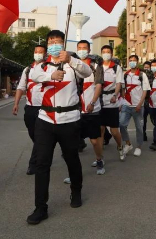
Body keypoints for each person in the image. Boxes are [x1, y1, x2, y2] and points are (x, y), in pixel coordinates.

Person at [26, 30, 92, 225]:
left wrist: (70, 59)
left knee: (72, 159)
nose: (54, 44)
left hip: (69, 120)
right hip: (45, 119)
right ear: (47, 45)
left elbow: (87, 72)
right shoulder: (41, 66)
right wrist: (51, 75)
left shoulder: (72, 64)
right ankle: (40, 207)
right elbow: (35, 76)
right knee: (42, 163)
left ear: (63, 44)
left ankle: (76, 191)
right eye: (51, 41)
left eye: (58, 41)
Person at [12, 45, 46, 175]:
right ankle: (43, 151)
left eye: (41, 52)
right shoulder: (27, 70)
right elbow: (21, 87)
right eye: (36, 51)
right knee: (34, 135)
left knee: (39, 136)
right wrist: (16, 103)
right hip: (30, 107)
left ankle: (33, 164)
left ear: (45, 54)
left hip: (44, 108)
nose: (38, 54)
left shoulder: (48, 68)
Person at [75, 40, 106, 175]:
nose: (82, 50)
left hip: (92, 108)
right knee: (72, 141)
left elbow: (98, 85)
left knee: (94, 141)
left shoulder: (96, 66)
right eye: (79, 48)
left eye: (84, 48)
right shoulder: (72, 65)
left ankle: (99, 159)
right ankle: (74, 173)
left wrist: (93, 102)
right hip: (75, 109)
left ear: (88, 50)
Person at [120, 55, 150, 157]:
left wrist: (140, 104)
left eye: (134, 60)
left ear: (137, 62)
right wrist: (122, 101)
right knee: (122, 124)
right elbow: (123, 89)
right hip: (126, 104)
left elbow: (145, 90)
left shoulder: (142, 75)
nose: (132, 62)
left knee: (139, 127)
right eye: (130, 60)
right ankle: (128, 143)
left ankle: (139, 146)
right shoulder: (125, 75)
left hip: (138, 105)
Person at [99, 45, 125, 161]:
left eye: (108, 52)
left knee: (114, 131)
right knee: (100, 130)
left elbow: (119, 83)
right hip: (100, 102)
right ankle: (99, 157)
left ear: (112, 54)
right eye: (104, 52)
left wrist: (115, 95)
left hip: (112, 101)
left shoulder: (116, 68)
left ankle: (120, 146)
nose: (106, 54)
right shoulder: (98, 67)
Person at [142, 61, 153, 142]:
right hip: (144, 100)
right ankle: (143, 134)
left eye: (148, 67)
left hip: (152, 100)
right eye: (145, 67)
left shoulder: (153, 76)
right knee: (143, 119)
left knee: (154, 119)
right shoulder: (141, 76)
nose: (146, 69)